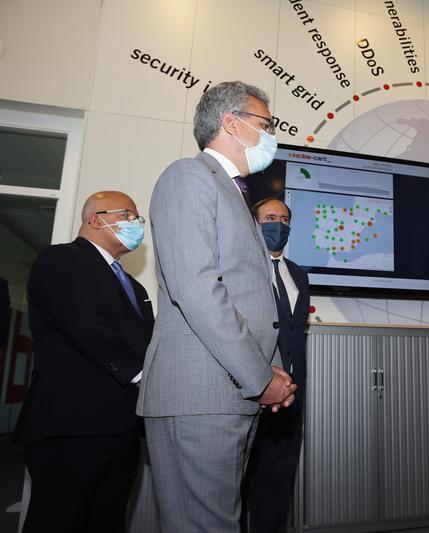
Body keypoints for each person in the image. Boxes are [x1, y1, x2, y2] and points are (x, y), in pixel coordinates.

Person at [137, 81, 296, 532]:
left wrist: (270, 369)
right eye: (266, 124)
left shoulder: (233, 193)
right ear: (232, 123)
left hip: (226, 394)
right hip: (201, 394)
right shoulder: (188, 176)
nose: (272, 134)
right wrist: (259, 376)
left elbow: (246, 295)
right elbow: (198, 289)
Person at [14, 191, 154, 532]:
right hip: (71, 427)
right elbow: (88, 327)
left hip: (122, 430)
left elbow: (146, 344)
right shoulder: (61, 259)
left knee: (107, 521)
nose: (136, 224)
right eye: (128, 215)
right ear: (95, 219)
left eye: (138, 218)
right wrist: (146, 377)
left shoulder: (134, 288)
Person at [243, 197, 310, 532]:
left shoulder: (299, 274)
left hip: (290, 397)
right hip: (252, 391)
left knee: (278, 481)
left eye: (284, 220)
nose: (278, 225)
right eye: (270, 218)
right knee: (238, 483)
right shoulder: (241, 268)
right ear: (254, 223)